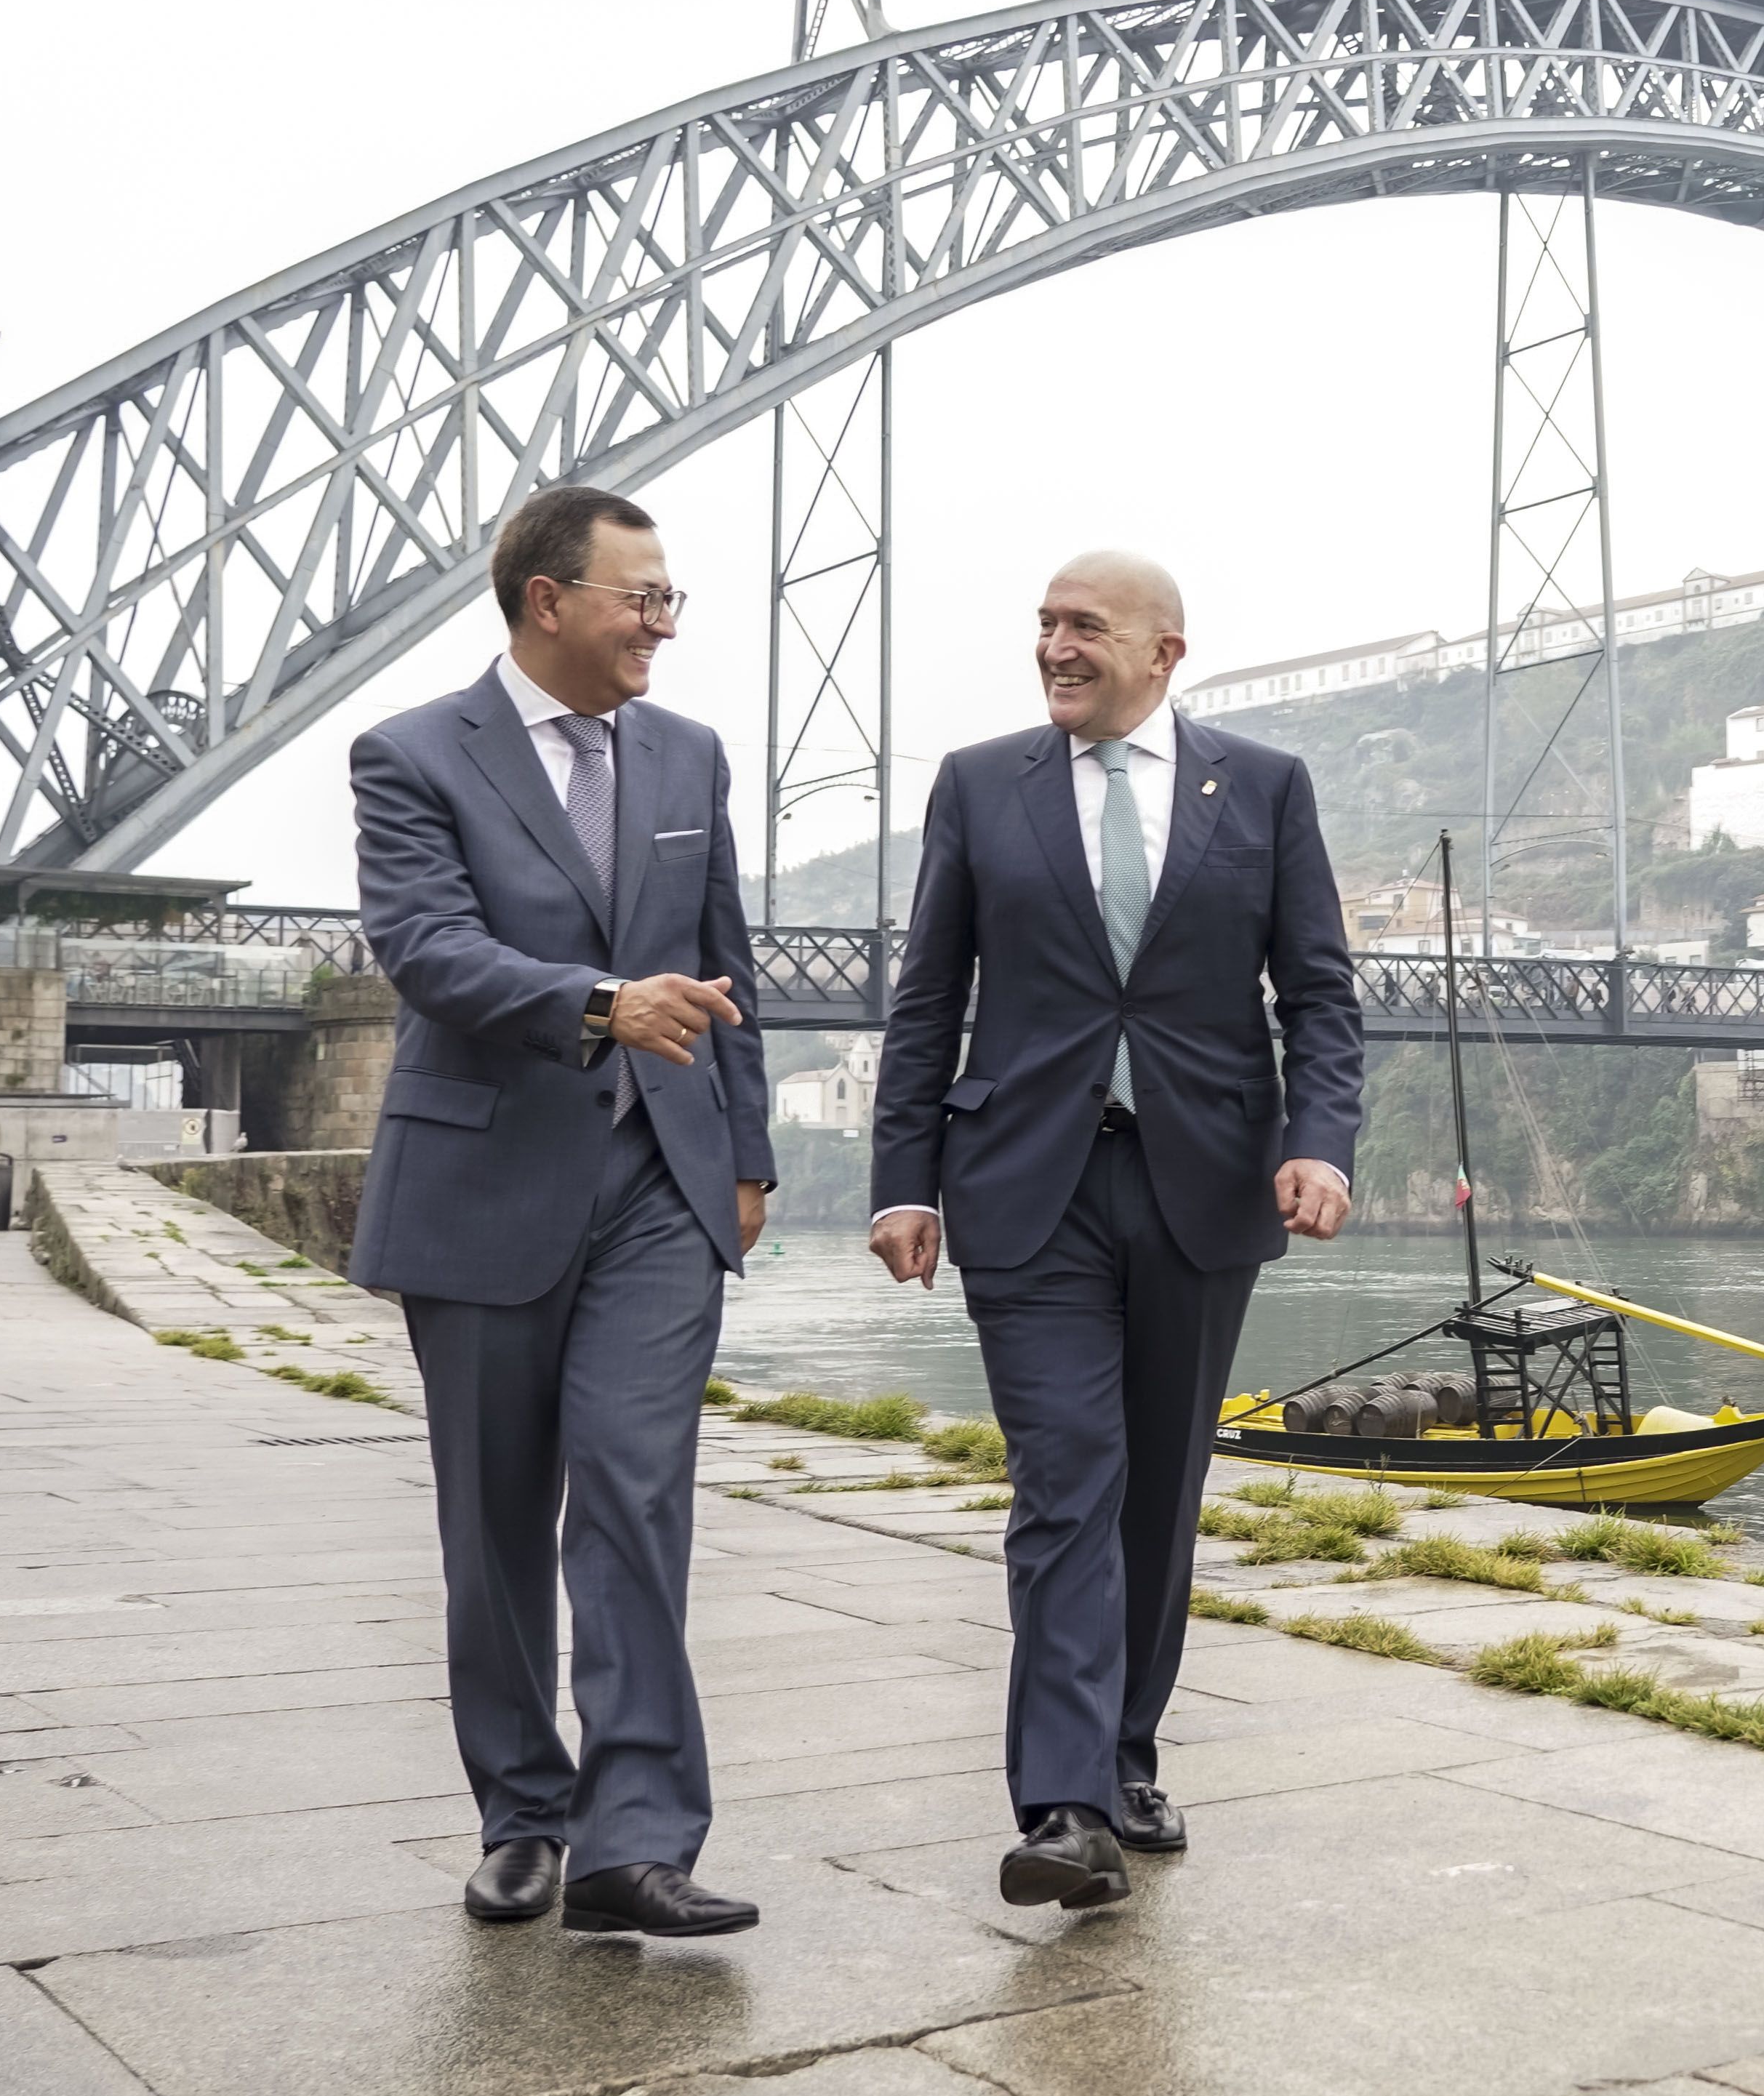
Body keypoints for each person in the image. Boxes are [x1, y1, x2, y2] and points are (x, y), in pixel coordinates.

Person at [867, 550, 1360, 1910]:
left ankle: (1129, 1746)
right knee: (1067, 1481)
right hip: (1027, 1186)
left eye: (1083, 627)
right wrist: (902, 1179)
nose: (1054, 648)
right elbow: (928, 999)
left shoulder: (1262, 787)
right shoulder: (979, 784)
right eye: (1042, 626)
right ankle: (1065, 1805)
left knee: (1158, 1491)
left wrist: (1318, 1142)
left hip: (1203, 1185)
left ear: (1164, 651)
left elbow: (1318, 994)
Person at [349, 485, 776, 1940]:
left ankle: (636, 1836)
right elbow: (424, 947)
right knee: (495, 1519)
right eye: (640, 593)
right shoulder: (411, 754)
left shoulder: (687, 754)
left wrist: (751, 1151)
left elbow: (726, 964)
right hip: (482, 1179)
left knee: (635, 1489)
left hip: (662, 1181)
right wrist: (596, 1002)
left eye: (671, 598)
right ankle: (524, 1808)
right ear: (547, 598)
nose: (663, 620)